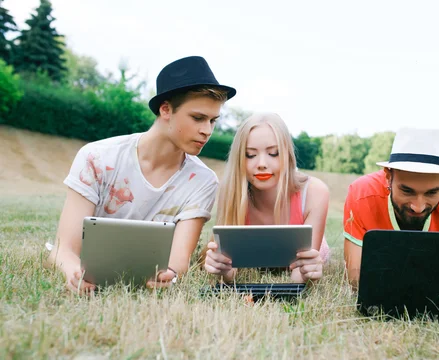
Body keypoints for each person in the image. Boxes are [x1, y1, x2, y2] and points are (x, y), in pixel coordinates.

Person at [46, 56, 236, 293]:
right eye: (197, 118)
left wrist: (169, 275)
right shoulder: (97, 157)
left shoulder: (203, 181)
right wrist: (73, 273)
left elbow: (178, 263)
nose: (207, 130)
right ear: (165, 109)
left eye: (212, 121)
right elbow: (63, 249)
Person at [203, 112, 330, 283]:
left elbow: (299, 276)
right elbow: (230, 269)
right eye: (250, 155)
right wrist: (223, 270)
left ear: (287, 155)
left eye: (273, 153)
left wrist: (307, 274)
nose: (262, 163)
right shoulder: (231, 190)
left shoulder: (315, 192)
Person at [343, 127, 439, 289]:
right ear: (389, 177)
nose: (418, 207)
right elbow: (356, 280)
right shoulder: (361, 193)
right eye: (407, 191)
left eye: (432, 193)